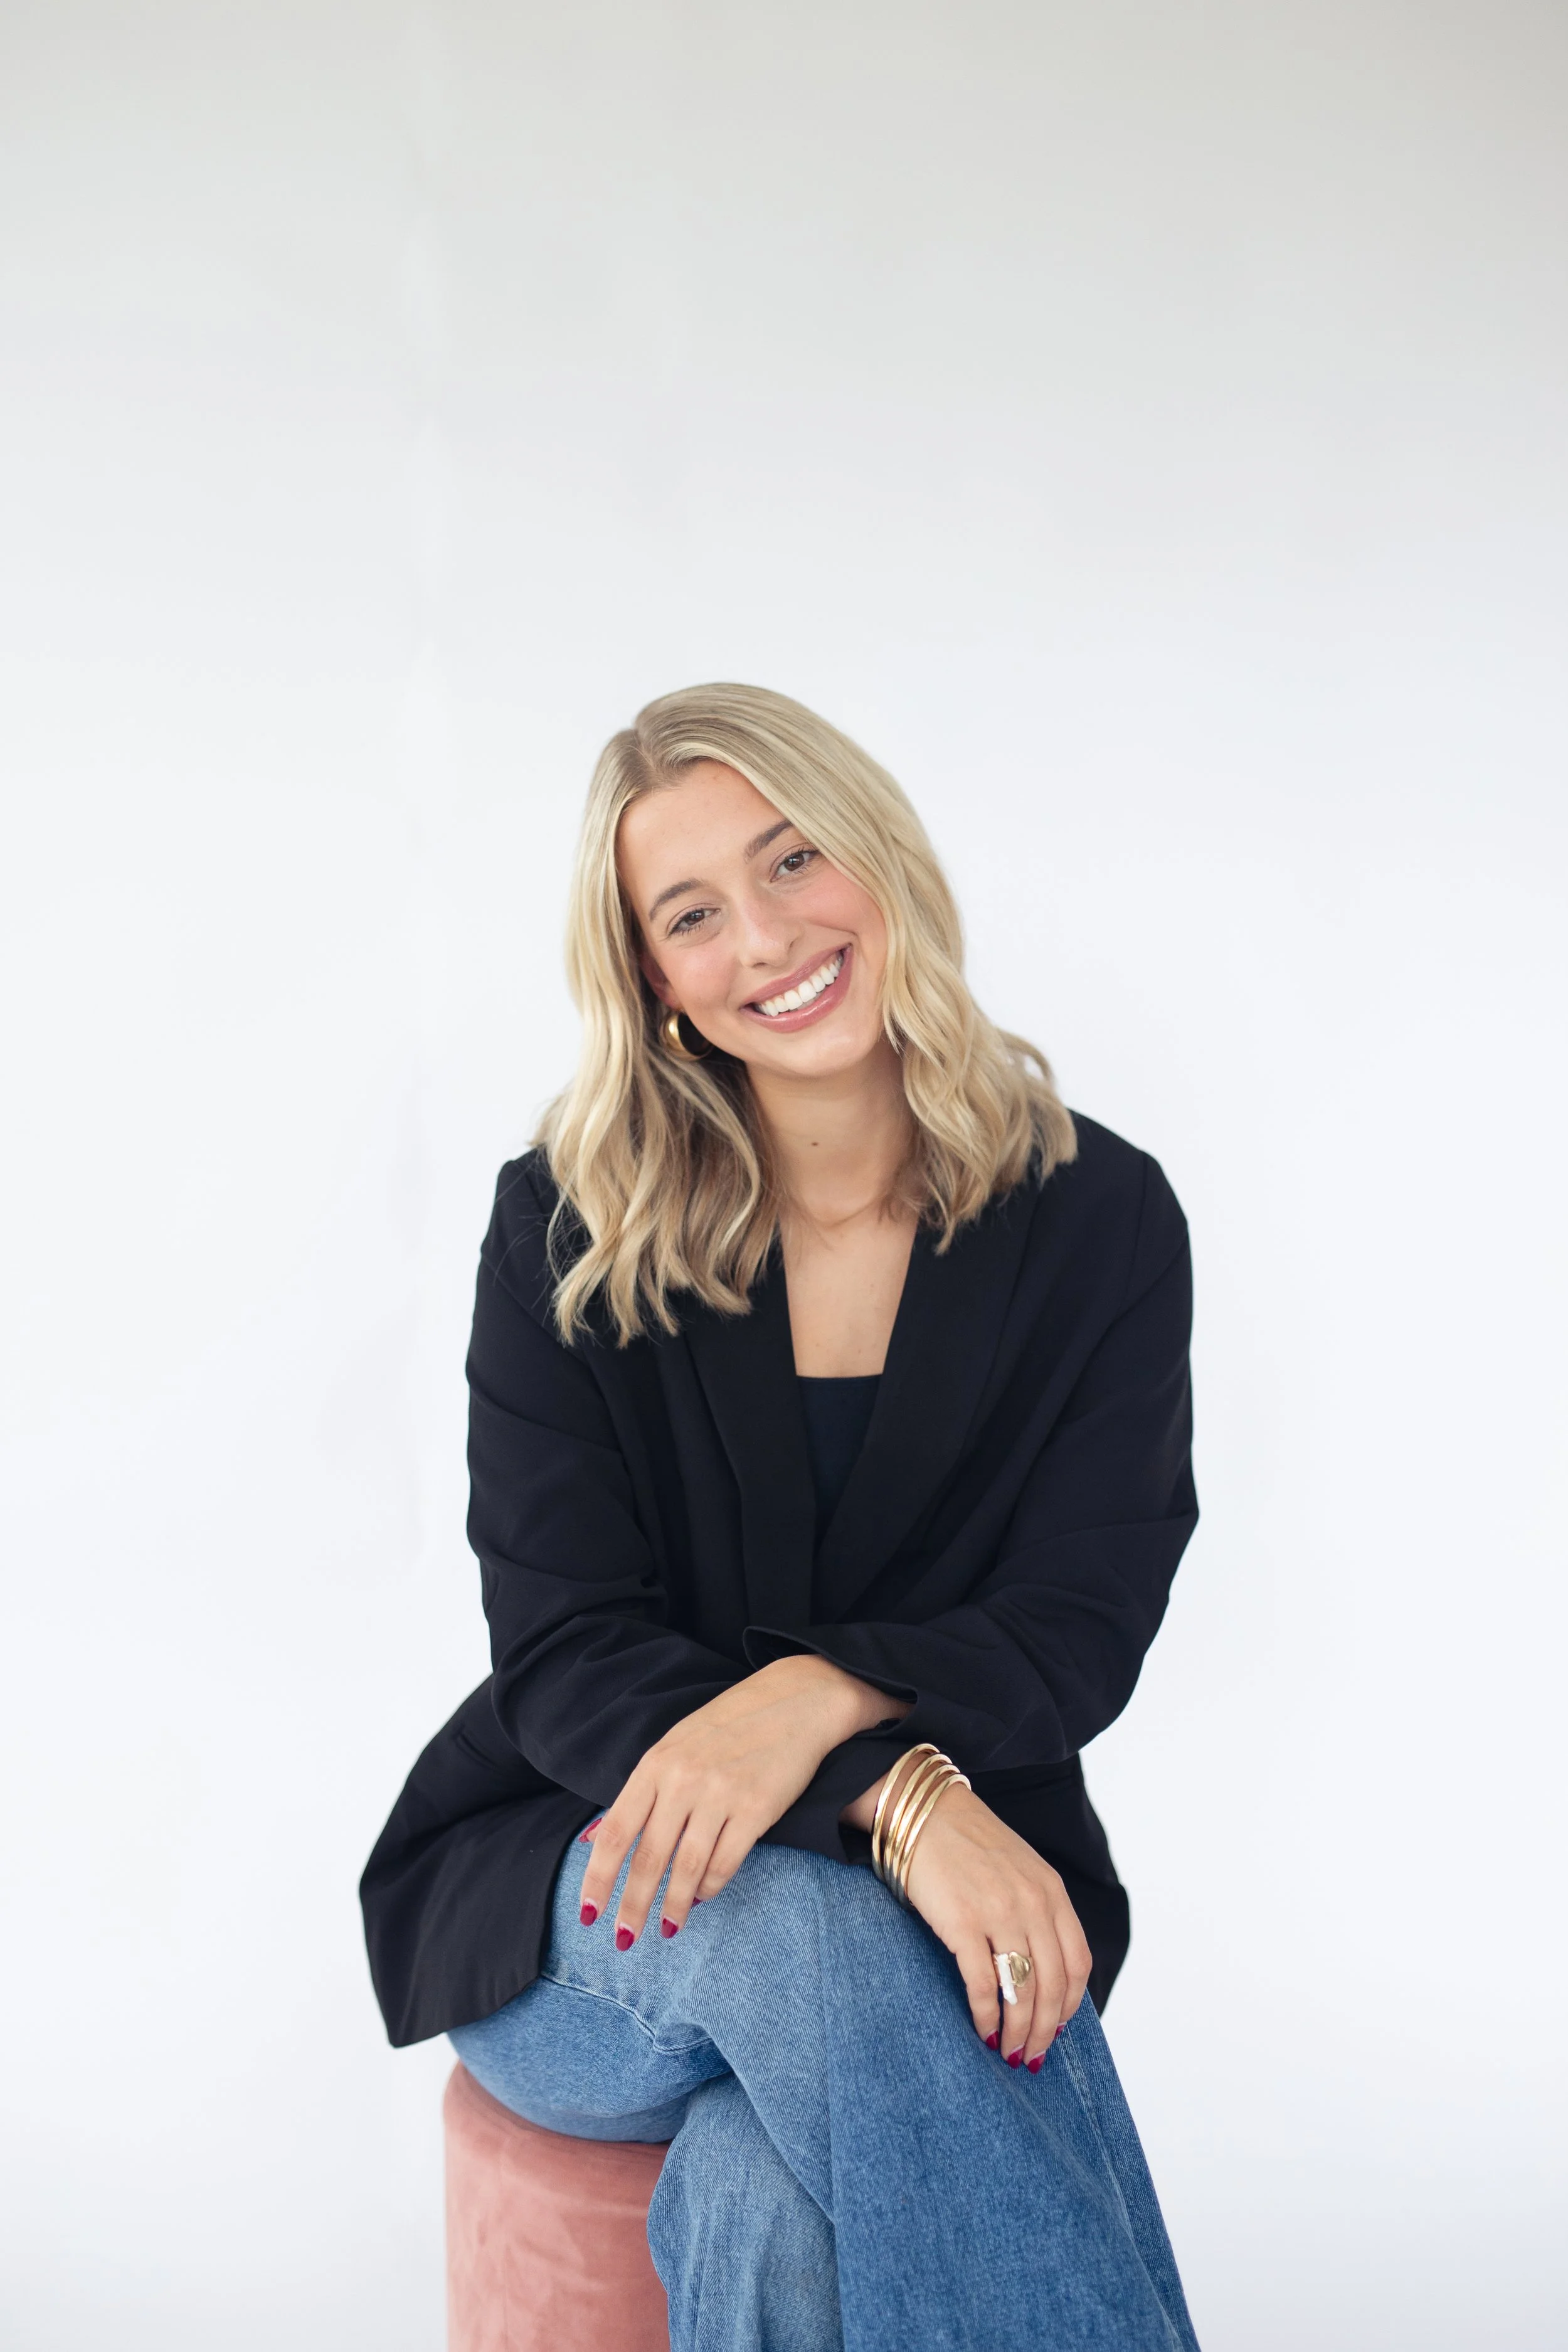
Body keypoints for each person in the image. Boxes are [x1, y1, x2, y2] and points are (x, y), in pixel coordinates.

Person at [361, 683, 1202, 2351]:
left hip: (963, 1880)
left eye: (792, 856)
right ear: (656, 981)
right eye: (691, 911)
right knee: (816, 1938)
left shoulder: (1100, 1215)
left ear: (877, 860)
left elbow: (1080, 1621)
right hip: (587, 1877)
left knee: (770, 2184)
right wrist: (887, 1787)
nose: (765, 935)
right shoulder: (565, 1227)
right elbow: (569, 1650)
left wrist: (821, 1706)